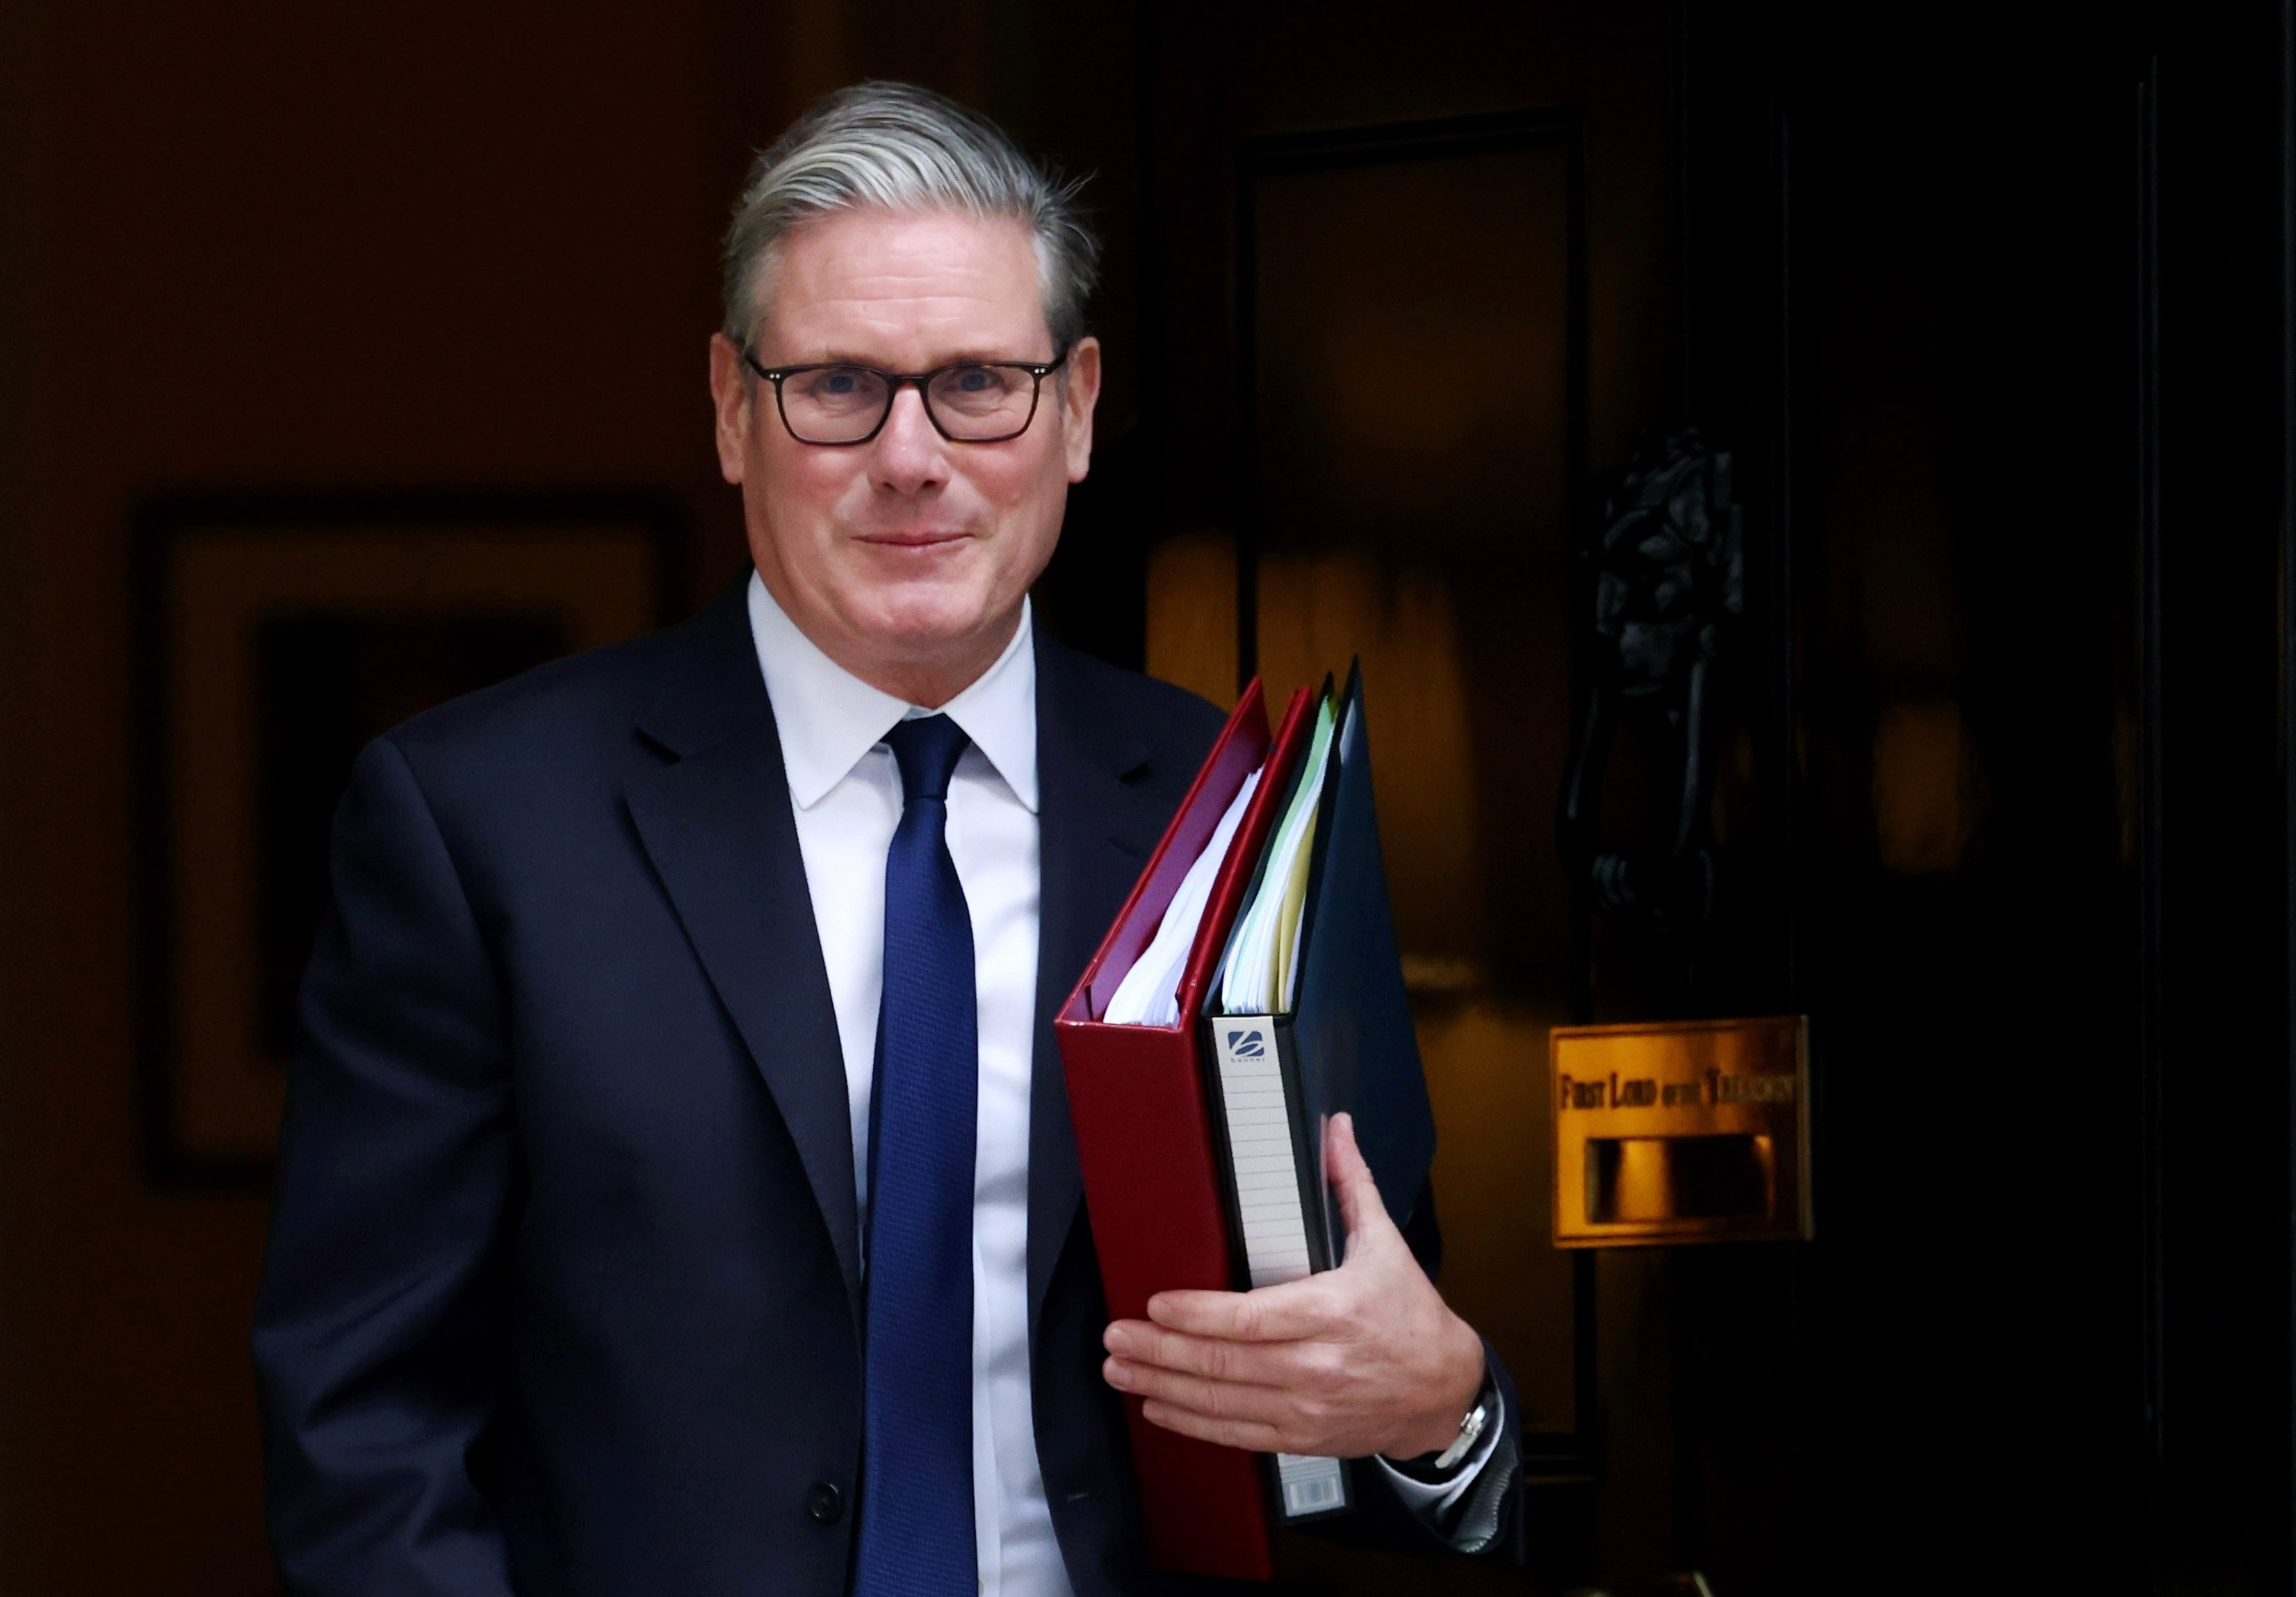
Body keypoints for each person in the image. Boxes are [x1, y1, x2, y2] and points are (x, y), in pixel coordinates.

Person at [253, 82, 1522, 1596]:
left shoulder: (1241, 813)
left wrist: (1444, 1415)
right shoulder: (476, 825)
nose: (911, 457)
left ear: (1077, 411)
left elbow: (1370, 1381)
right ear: (733, 411)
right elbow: (366, 1430)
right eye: (839, 384)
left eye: (978, 381)